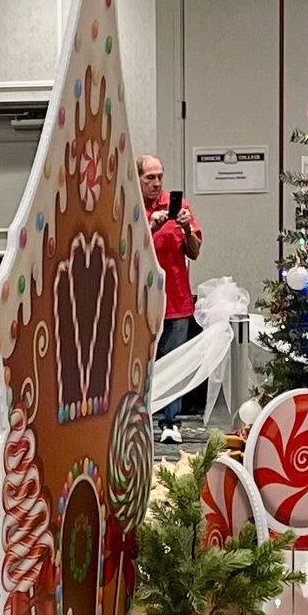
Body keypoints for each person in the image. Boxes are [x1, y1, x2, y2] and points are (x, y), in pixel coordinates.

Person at [139, 154, 204, 444]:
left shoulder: (178, 207)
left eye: (159, 176)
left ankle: (170, 421)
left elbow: (194, 252)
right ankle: (137, 421)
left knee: (174, 361)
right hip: (139, 302)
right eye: (149, 177)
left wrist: (187, 227)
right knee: (140, 364)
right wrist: (150, 227)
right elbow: (124, 251)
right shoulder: (132, 210)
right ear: (137, 179)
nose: (156, 183)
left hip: (176, 299)